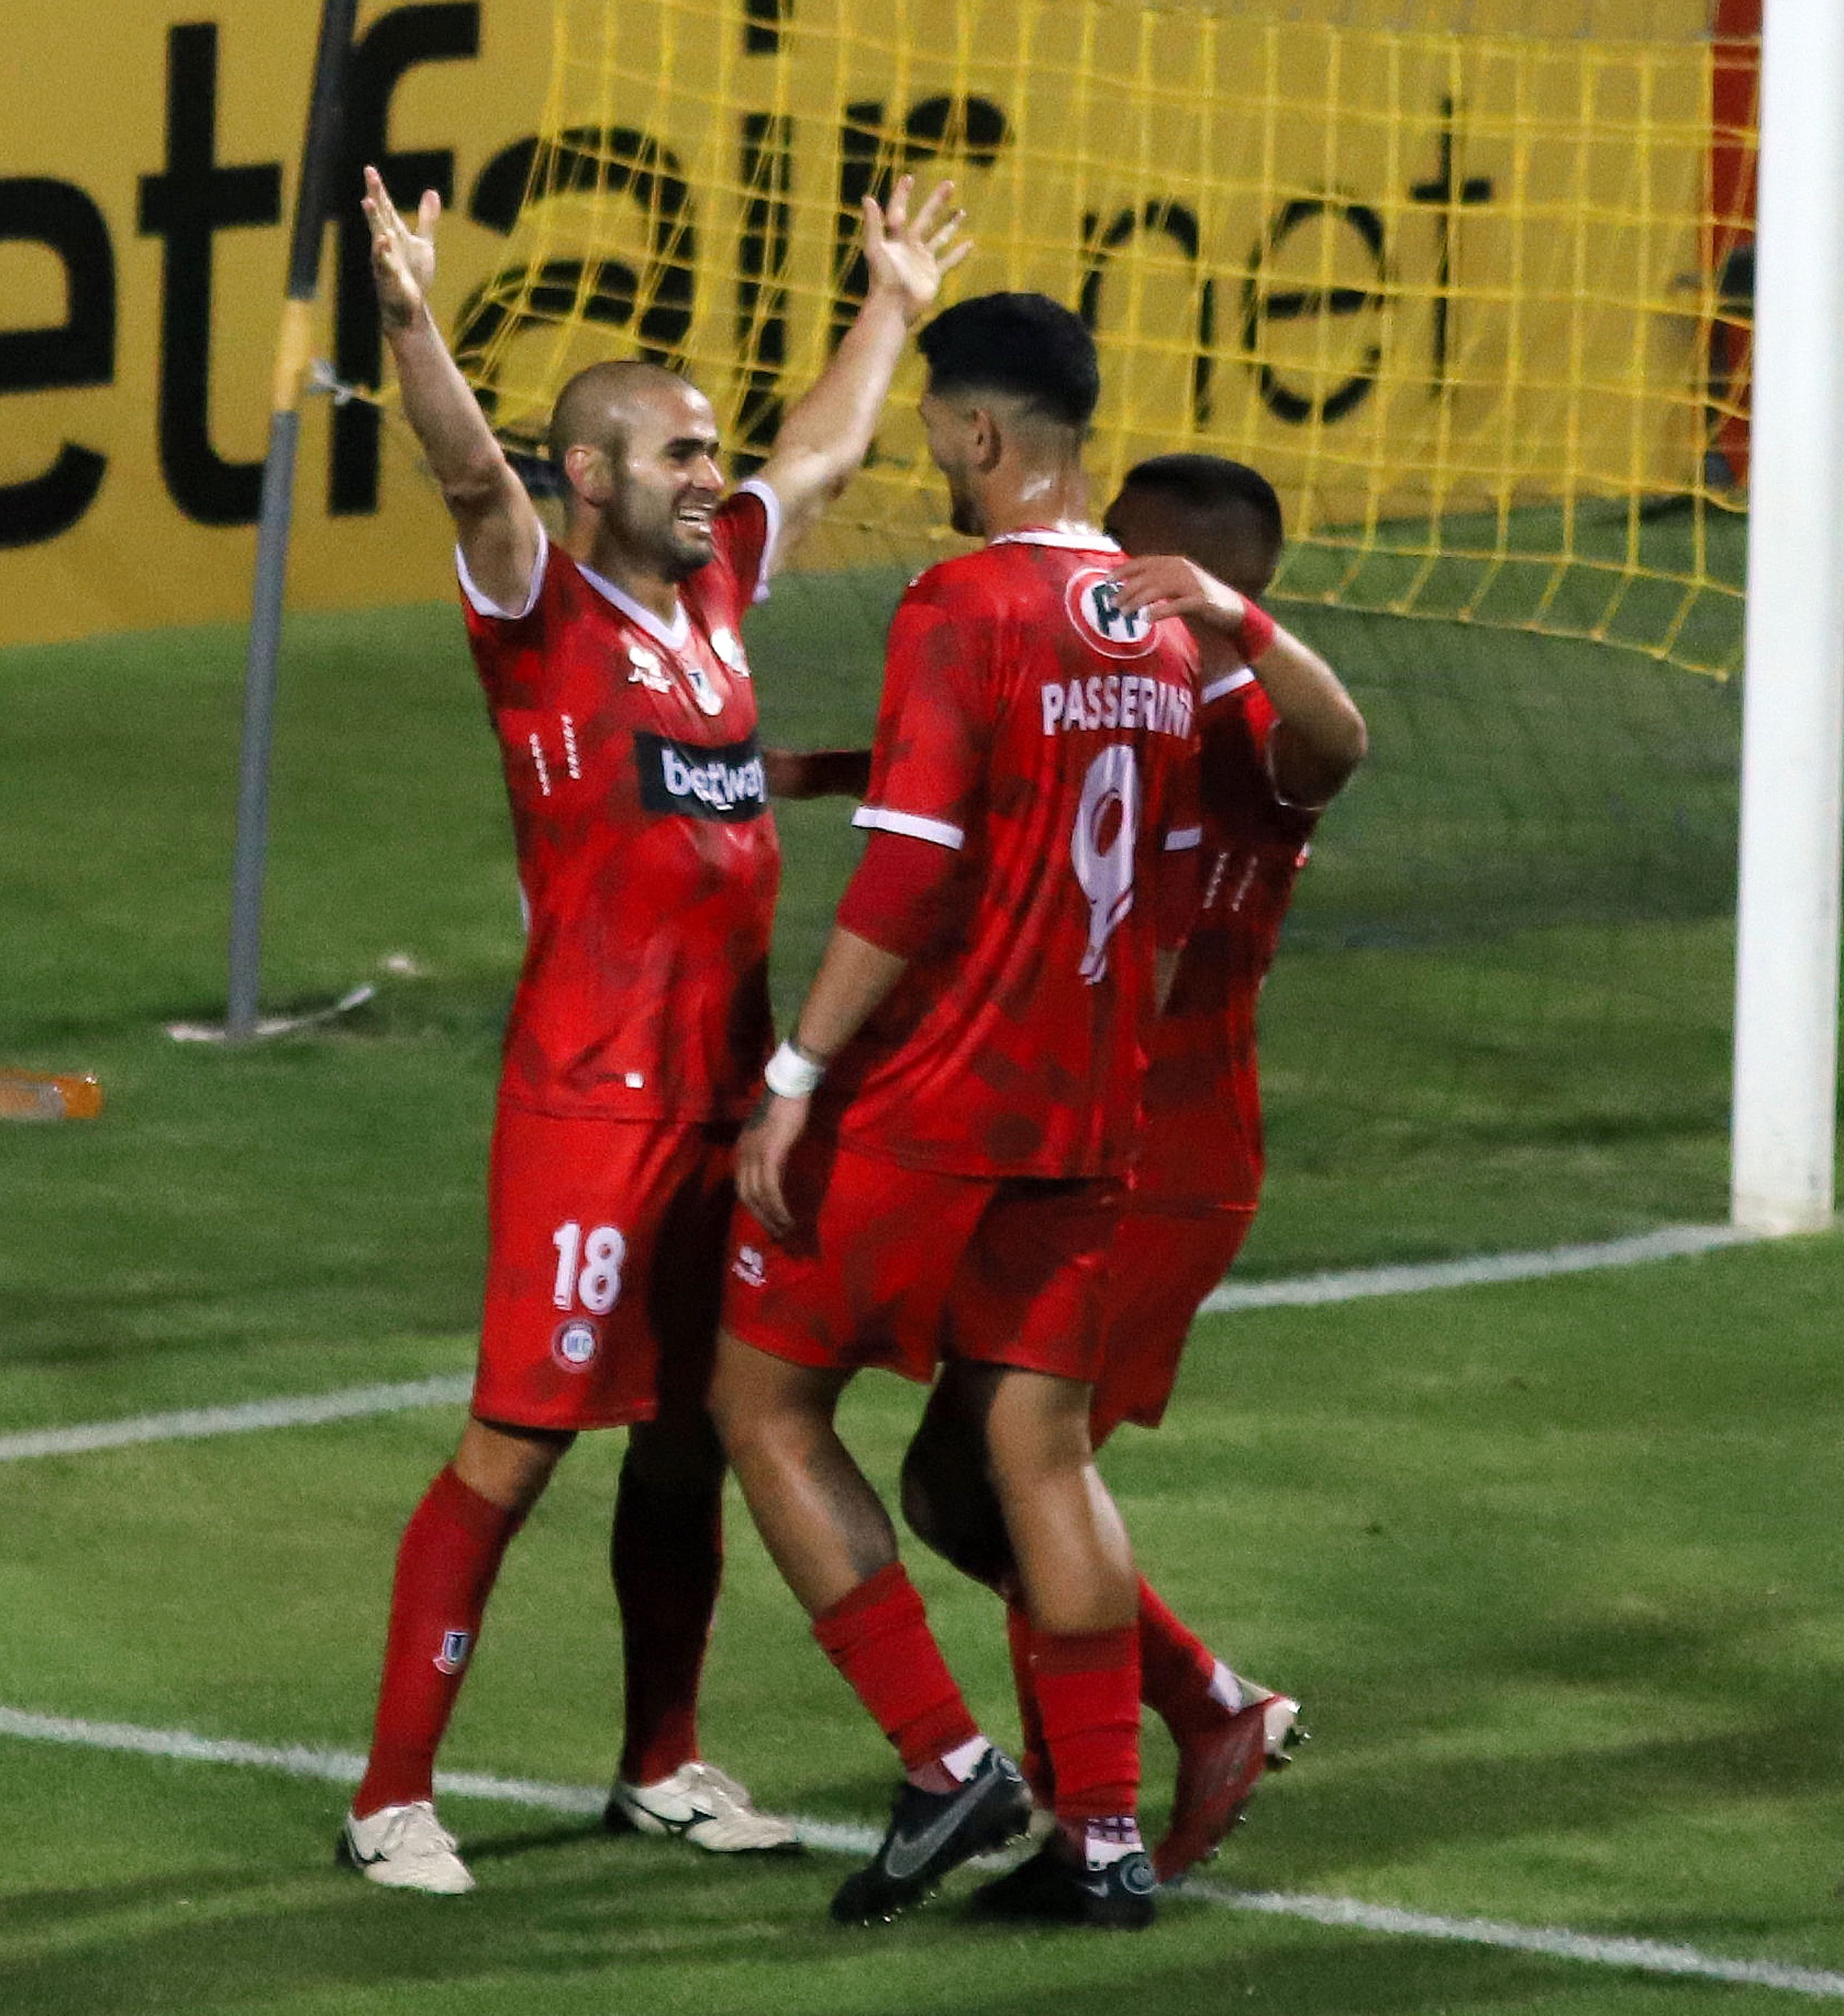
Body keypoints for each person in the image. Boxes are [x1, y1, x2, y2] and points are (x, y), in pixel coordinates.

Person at [336, 163, 969, 1896]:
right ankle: (392, 1791)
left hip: (728, 1096)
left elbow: (824, 453)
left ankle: (662, 1757)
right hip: (591, 1107)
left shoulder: (712, 600)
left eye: (710, 451)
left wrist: (891, 302)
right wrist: (409, 316)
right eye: (679, 454)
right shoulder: (537, 608)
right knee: (519, 1440)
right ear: (591, 475)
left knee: (693, 1427)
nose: (714, 475)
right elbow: (469, 466)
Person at [713, 292, 1205, 1930]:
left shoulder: (959, 602)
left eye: (935, 425)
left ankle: (946, 1760)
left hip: (939, 1101)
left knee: (762, 1401)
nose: (930, 451)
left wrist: (796, 1080)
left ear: (983, 435)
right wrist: (867, 760)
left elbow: (918, 872)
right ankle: (1107, 1838)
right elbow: (1120, 845)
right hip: (1090, 1101)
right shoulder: (1162, 626)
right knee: (1038, 1452)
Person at [893, 453, 1361, 1883]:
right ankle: (1180, 1719)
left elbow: (1340, 742)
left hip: (1169, 1161)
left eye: (1128, 553)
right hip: (1073, 1140)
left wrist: (1244, 625)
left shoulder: (1241, 721)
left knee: (1018, 1472)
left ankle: (1095, 1790)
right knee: (961, 1484)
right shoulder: (1116, 690)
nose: (1094, 566)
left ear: (1200, 573)